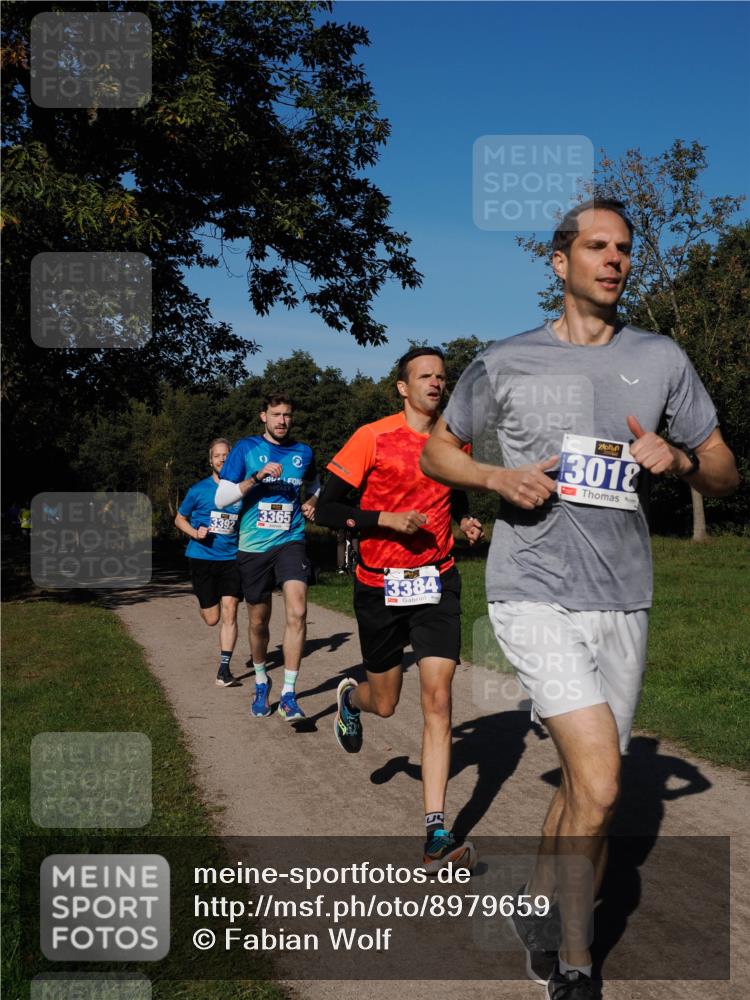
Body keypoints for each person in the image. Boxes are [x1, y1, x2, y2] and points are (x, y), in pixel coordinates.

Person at [420, 199, 738, 998]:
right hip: (533, 591)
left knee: (580, 786)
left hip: (623, 597)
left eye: (625, 248)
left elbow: (726, 470)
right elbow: (437, 450)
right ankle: (572, 960)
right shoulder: (504, 362)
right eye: (596, 246)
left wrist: (680, 461)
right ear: (558, 263)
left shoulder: (662, 359)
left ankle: (538, 902)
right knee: (599, 783)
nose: (615, 259)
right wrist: (496, 476)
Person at [315, 346, 484, 872]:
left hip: (437, 580)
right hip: (379, 584)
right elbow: (327, 508)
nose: (436, 383)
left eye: (442, 376)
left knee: (437, 699)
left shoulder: (457, 440)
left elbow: (453, 503)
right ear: (403, 388)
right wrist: (385, 519)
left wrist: (465, 525)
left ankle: (436, 830)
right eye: (425, 376)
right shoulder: (373, 436)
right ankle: (351, 699)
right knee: (385, 702)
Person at [215, 392, 319, 721]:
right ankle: (262, 680)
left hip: (291, 539)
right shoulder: (246, 449)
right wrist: (257, 478)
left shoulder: (303, 452)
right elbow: (221, 498)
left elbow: (317, 484)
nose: (282, 421)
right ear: (264, 416)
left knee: (298, 611)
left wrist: (313, 501)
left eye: (287, 415)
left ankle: (289, 693)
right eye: (276, 415)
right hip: (253, 546)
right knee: (258, 622)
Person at [175, 438, 244, 687]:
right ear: (210, 460)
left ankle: (224, 670)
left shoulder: (240, 490)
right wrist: (195, 533)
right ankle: (205, 601)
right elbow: (179, 519)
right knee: (212, 618)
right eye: (218, 456)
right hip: (202, 557)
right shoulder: (198, 490)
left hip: (231, 559)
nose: (222, 459)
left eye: (227, 455)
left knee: (231, 611)